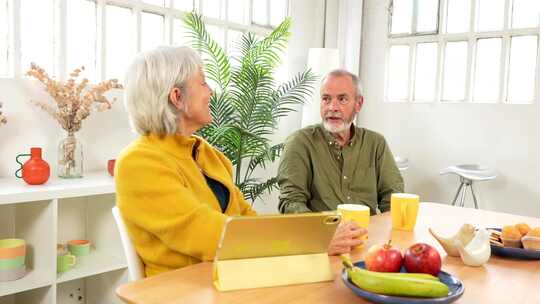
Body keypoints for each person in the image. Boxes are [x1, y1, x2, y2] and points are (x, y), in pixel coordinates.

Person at [115, 46, 256, 277]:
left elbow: (247, 216)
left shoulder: (208, 153)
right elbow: (207, 234)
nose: (211, 91)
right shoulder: (139, 163)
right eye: (203, 83)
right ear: (177, 97)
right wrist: (288, 243)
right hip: (181, 290)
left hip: (229, 277)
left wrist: (297, 241)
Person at [277, 69, 404, 255]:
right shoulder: (300, 143)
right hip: (323, 246)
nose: (332, 107)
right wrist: (322, 235)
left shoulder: (376, 143)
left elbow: (392, 198)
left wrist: (390, 239)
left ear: (358, 103)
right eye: (326, 99)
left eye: (342, 99)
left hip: (370, 244)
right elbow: (290, 203)